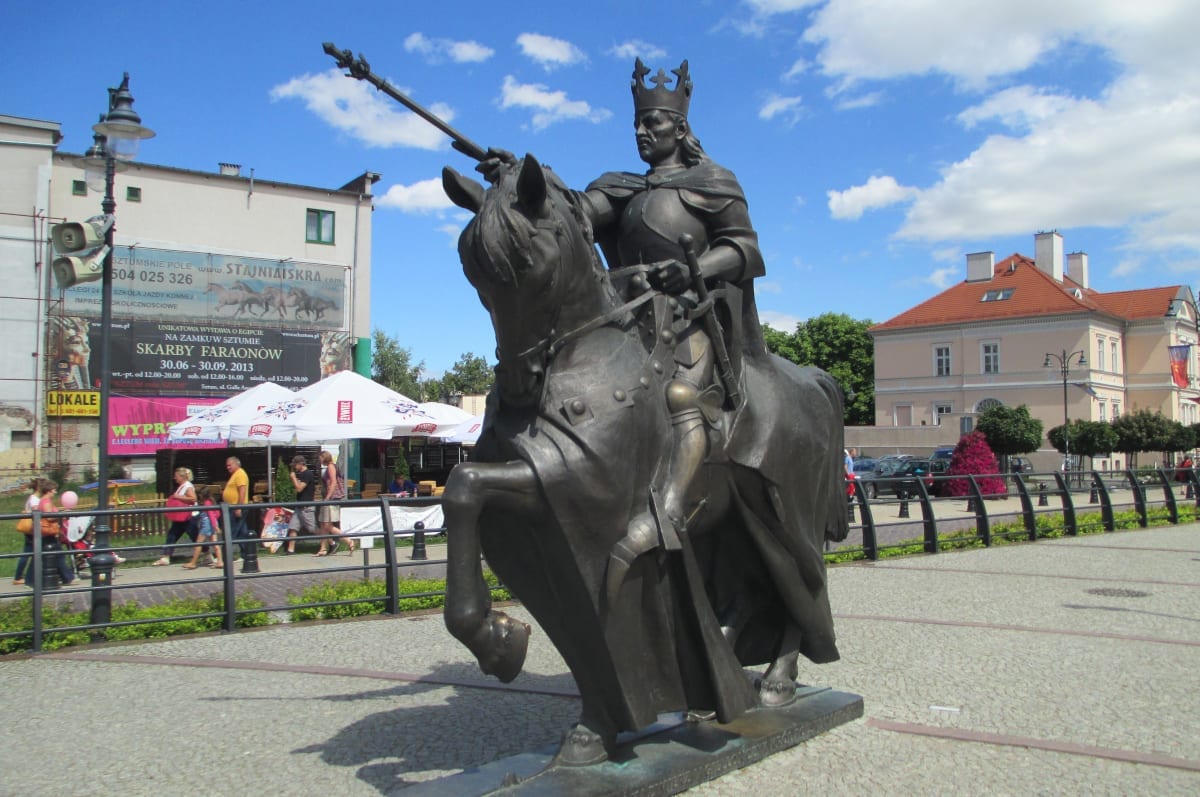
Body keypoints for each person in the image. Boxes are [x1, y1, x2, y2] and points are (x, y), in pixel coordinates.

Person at [576, 58, 768, 553]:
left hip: (687, 322)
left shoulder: (712, 181)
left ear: (679, 127)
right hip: (626, 324)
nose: (641, 131)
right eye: (637, 122)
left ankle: (673, 510)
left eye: (652, 121)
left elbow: (746, 249)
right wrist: (516, 182)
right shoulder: (621, 188)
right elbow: (573, 214)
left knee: (682, 396)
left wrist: (694, 268)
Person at [37, 481, 81, 587]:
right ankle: (68, 578)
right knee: (59, 555)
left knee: (54, 555)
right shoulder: (46, 501)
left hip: (46, 532)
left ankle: (64, 577)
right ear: (48, 491)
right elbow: (49, 516)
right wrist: (61, 515)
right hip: (49, 532)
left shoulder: (42, 501)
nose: (55, 492)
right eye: (54, 490)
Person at [155, 467, 197, 565]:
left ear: (182, 476)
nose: (174, 478)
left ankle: (208, 555)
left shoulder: (188, 486)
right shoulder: (182, 486)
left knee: (195, 537)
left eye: (176, 476)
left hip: (188, 517)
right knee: (172, 535)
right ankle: (166, 557)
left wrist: (177, 497)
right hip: (180, 517)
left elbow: (193, 499)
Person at [316, 450, 354, 556]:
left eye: (320, 458)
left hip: (331, 499)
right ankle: (323, 548)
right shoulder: (330, 466)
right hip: (329, 498)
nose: (319, 460)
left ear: (324, 457)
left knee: (327, 525)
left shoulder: (331, 467)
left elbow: (333, 483)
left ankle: (348, 541)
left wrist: (327, 498)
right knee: (323, 524)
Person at [13, 477, 49, 586]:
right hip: (32, 530)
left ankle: (22, 576)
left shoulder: (32, 498)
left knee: (29, 552)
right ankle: (19, 577)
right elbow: (36, 513)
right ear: (39, 488)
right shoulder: (34, 500)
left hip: (32, 530)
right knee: (28, 553)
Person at [182, 485, 223, 570]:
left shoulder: (207, 503)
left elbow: (211, 515)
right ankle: (220, 561)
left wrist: (214, 526)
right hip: (212, 523)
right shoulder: (212, 501)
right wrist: (215, 524)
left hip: (207, 524)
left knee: (198, 543)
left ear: (202, 495)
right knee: (215, 543)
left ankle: (193, 563)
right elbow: (217, 514)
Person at [287, 455, 319, 555]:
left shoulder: (307, 474)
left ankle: (331, 542)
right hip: (299, 506)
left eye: (295, 465)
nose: (294, 467)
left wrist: (293, 478)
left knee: (313, 529)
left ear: (301, 464)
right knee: (293, 527)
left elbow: (299, 488)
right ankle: (290, 550)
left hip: (307, 507)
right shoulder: (301, 474)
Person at [222, 456, 251, 564]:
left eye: (229, 465)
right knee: (242, 532)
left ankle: (225, 556)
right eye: (227, 465)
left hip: (236, 507)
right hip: (233, 506)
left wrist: (239, 507)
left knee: (232, 531)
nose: (228, 467)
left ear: (236, 464)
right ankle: (246, 554)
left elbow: (242, 491)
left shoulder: (240, 474)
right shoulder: (235, 474)